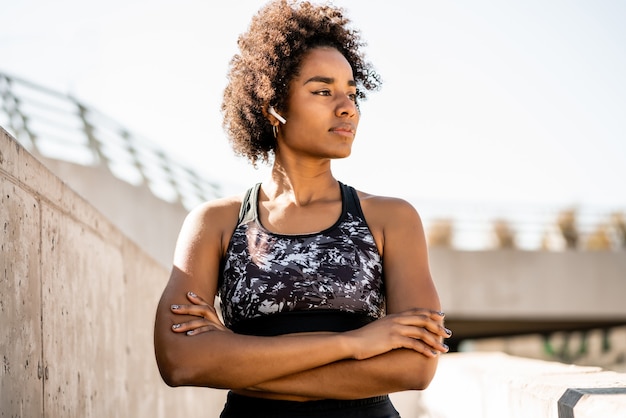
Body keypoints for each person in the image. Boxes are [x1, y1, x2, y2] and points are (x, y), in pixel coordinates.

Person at [153, 1, 451, 416]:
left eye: (351, 92)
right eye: (323, 90)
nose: (346, 107)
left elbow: (416, 366)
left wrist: (239, 363)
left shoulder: (391, 219)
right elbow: (181, 361)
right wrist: (355, 344)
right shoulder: (216, 224)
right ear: (272, 106)